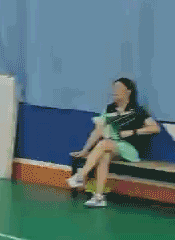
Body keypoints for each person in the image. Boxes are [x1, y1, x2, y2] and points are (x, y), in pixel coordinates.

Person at [67, 77, 161, 207]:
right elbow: (98, 131)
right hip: (112, 147)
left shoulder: (138, 111)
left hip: (130, 149)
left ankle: (80, 176)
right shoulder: (110, 109)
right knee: (104, 154)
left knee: (104, 144)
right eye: (114, 88)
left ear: (128, 91)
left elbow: (155, 128)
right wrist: (85, 150)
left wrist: (133, 131)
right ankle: (98, 197)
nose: (114, 91)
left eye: (118, 88)